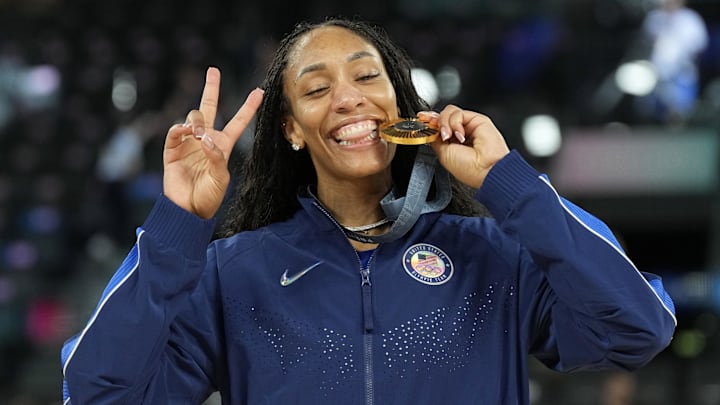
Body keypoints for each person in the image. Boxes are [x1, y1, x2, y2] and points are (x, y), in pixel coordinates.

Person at [60, 18, 677, 404]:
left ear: (400, 104)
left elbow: (638, 327)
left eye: (367, 77)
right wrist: (178, 224)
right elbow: (98, 393)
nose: (349, 100)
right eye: (317, 88)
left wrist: (509, 185)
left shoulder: (493, 255)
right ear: (292, 130)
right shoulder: (232, 274)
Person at [639, 0, 708, 123]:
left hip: (682, 70)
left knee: (679, 108)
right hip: (657, 70)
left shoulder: (691, 19)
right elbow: (646, 42)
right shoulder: (654, 18)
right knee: (653, 107)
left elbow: (700, 45)